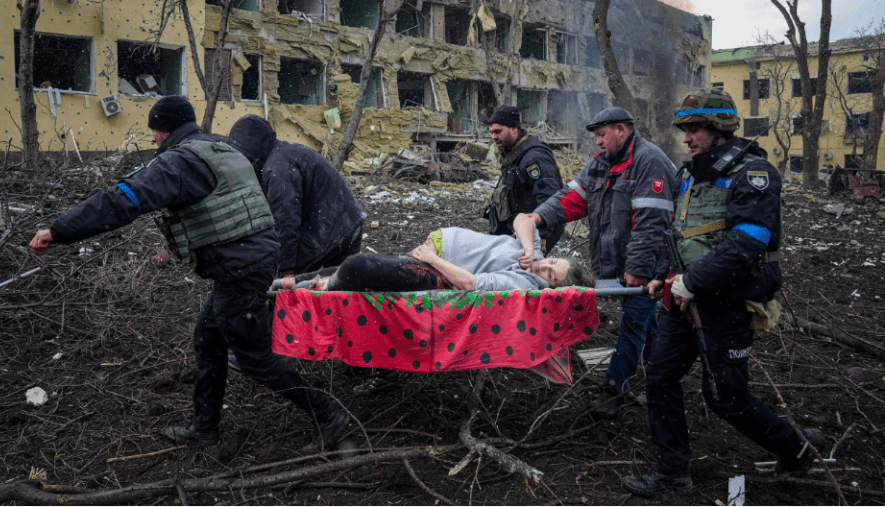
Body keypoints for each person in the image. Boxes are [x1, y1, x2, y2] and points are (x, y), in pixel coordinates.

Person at [29, 96, 348, 454]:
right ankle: (204, 427)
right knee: (208, 339)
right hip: (250, 260)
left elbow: (121, 200)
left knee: (253, 356)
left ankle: (328, 416)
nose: (152, 140)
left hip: (241, 267)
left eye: (154, 131)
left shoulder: (180, 162)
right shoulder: (220, 146)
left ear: (165, 130)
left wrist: (58, 231)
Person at [622, 89, 825, 495]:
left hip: (726, 301)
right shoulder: (691, 175)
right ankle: (672, 473)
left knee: (725, 397)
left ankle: (797, 451)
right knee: (660, 376)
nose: (687, 137)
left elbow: (748, 242)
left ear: (720, 129)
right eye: (685, 129)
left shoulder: (754, 174)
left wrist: (692, 281)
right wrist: (667, 276)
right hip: (683, 299)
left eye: (695, 129)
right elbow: (684, 238)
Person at [527, 106, 678, 416]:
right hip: (617, 264)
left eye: (601, 135)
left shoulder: (649, 161)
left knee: (634, 323)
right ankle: (661, 375)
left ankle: (614, 389)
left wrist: (636, 269)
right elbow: (571, 199)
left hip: (648, 265)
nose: (597, 142)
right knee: (646, 322)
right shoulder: (600, 165)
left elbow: (653, 222)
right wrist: (538, 217)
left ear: (621, 130)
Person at [282, 214, 592, 293]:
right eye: (552, 262)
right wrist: (529, 249)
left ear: (551, 288)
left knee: (357, 267)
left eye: (551, 275)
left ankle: (308, 287)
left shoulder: (524, 284)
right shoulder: (532, 255)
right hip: (435, 250)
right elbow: (523, 219)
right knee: (357, 267)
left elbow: (470, 283)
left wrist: (432, 259)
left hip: (436, 268)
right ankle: (285, 282)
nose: (544, 267)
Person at [227, 115, 366, 288]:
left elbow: (285, 220)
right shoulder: (282, 153)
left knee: (286, 287)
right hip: (348, 222)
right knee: (340, 289)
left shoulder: (277, 168)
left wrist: (286, 270)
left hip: (331, 230)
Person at [485, 105, 564, 254]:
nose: (494, 137)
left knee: (523, 272)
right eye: (492, 132)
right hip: (518, 227)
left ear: (514, 129)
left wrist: (542, 234)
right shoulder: (514, 153)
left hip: (535, 229)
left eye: (498, 131)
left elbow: (549, 197)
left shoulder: (534, 156)